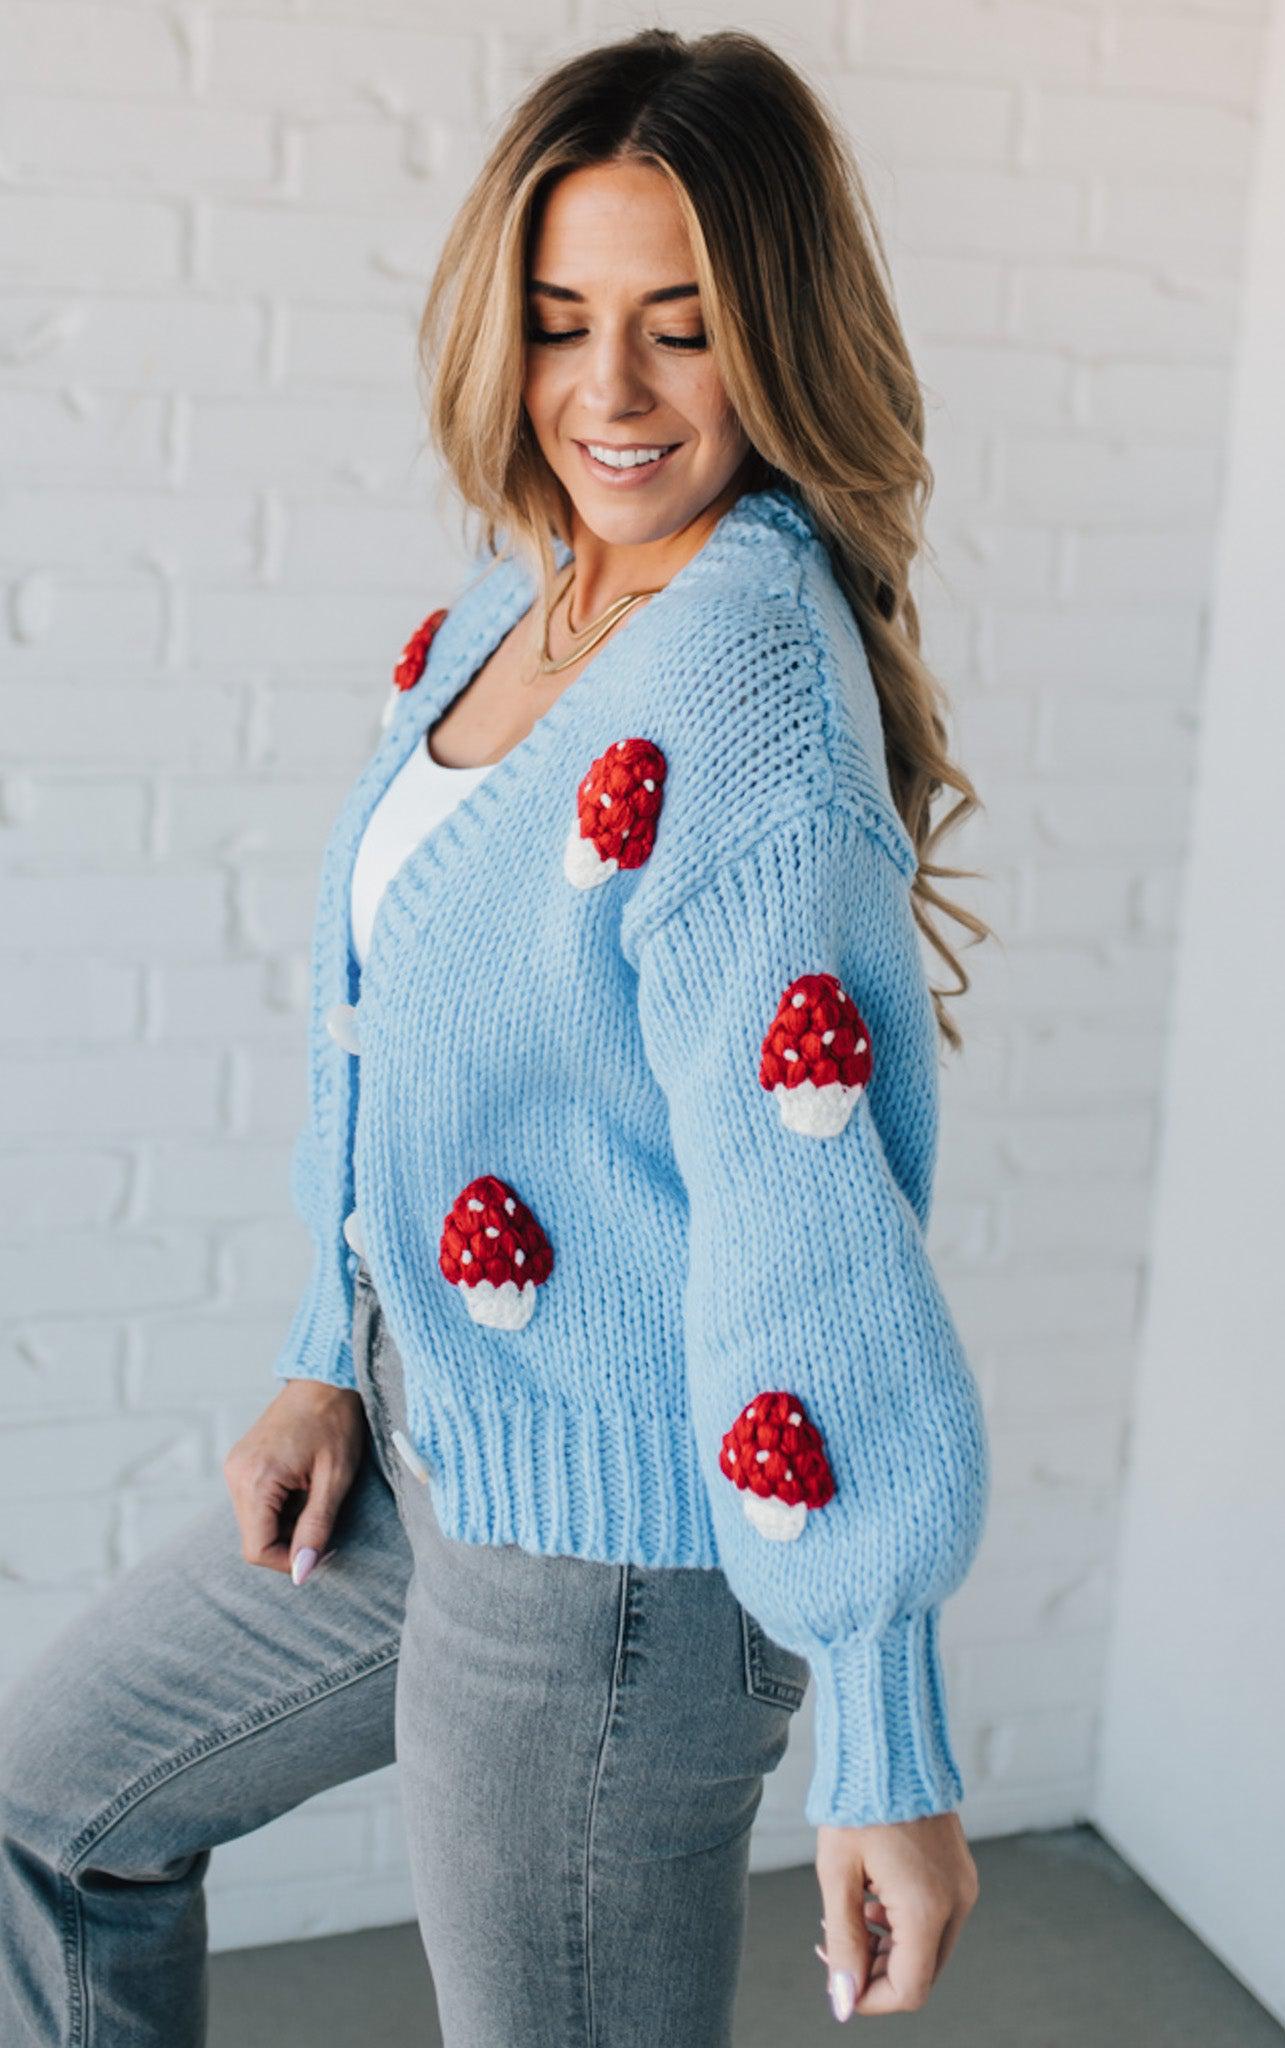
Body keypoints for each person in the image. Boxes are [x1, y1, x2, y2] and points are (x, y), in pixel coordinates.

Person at [0, 26, 994, 2044]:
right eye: (558, 322)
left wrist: (882, 1727)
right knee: (54, 1804)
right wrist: (316, 1353)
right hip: (424, 1440)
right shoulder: (519, 591)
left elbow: (802, 1219)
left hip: (609, 1576)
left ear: (779, 335)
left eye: (679, 328)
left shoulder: (742, 689)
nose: (605, 395)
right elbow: (384, 1039)